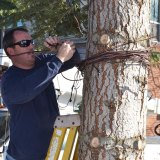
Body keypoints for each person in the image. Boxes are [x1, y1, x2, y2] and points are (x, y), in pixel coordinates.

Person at [1, 27, 80, 160]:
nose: (31, 46)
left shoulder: (42, 62)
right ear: (11, 51)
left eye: (31, 42)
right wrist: (59, 58)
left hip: (50, 153)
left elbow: (74, 60)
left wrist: (60, 47)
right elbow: (29, 88)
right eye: (25, 43)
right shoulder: (9, 81)